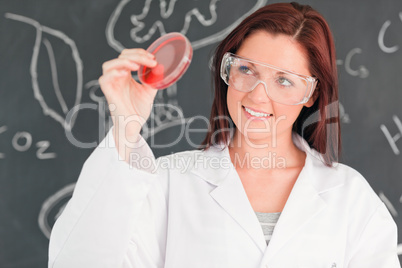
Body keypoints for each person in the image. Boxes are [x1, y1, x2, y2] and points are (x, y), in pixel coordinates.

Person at [48, 2, 400, 268]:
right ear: (226, 70)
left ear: (310, 94)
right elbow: (79, 260)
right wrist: (127, 125)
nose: (258, 95)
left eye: (283, 80)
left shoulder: (350, 199)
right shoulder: (170, 182)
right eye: (246, 69)